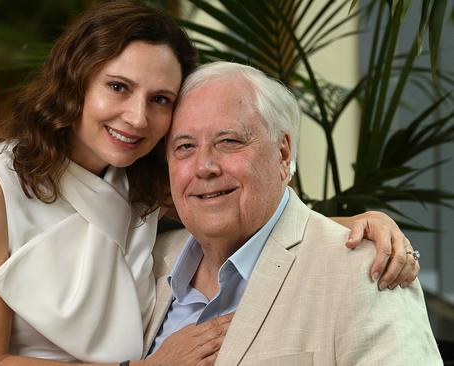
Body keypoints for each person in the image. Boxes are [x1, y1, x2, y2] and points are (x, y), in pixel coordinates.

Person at [0, 1, 420, 365]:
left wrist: (362, 225)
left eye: (161, 99)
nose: (136, 117)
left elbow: (250, 218)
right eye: (118, 87)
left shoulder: (143, 175)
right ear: (77, 79)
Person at [145, 61, 441, 365]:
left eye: (229, 141)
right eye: (184, 147)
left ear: (283, 154)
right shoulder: (146, 262)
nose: (205, 166)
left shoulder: (367, 269)